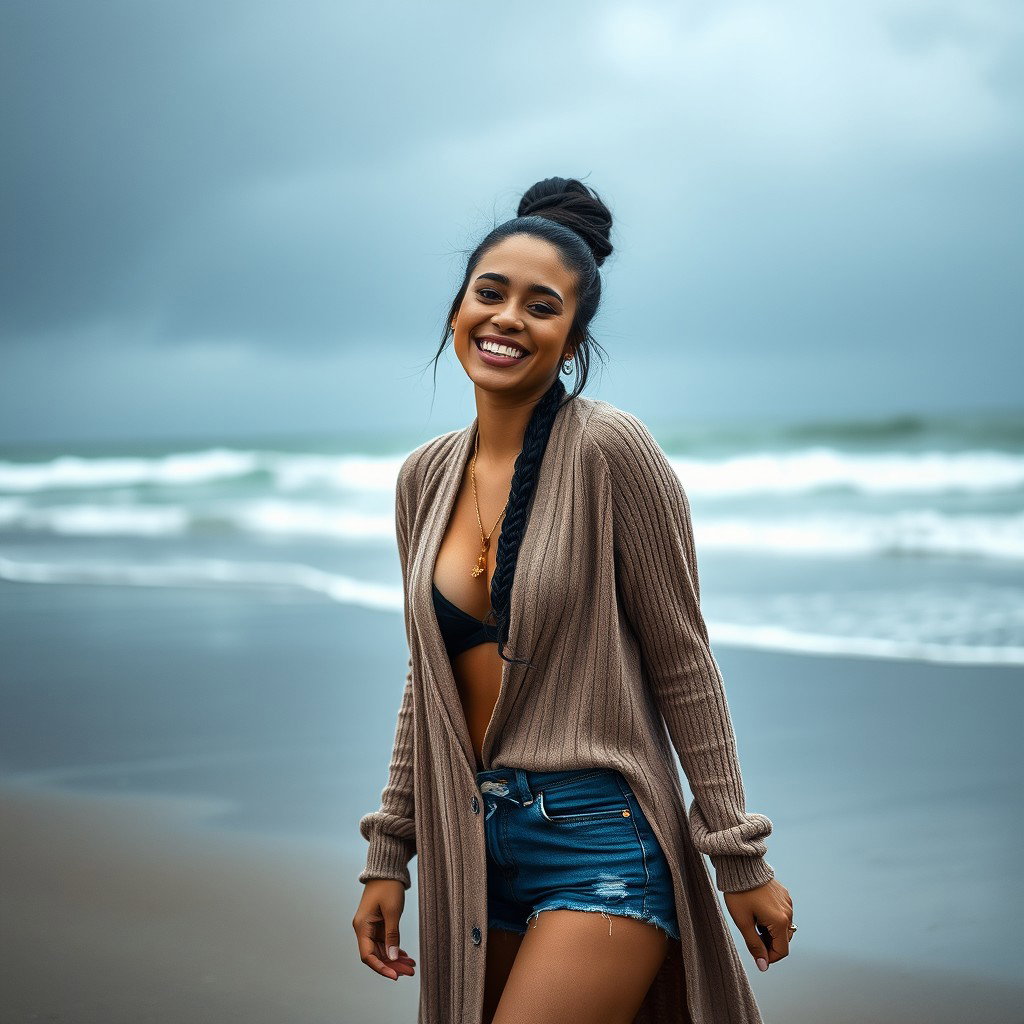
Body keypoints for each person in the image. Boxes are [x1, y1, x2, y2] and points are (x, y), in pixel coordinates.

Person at [352, 176, 795, 1024]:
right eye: (490, 292)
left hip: (599, 835)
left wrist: (738, 858)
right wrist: (388, 853)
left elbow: (683, 661)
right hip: (469, 844)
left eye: (541, 305)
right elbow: (428, 682)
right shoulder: (423, 480)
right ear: (458, 309)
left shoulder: (611, 452)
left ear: (570, 339)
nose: (507, 318)